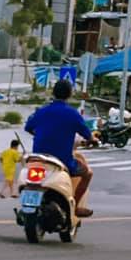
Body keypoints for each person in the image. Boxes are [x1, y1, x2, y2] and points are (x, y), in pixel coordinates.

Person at [24, 78, 99, 217]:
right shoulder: (72, 114)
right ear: (69, 94)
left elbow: (28, 127)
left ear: (53, 93)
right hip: (63, 160)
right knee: (88, 173)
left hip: (40, 159)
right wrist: (93, 140)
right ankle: (75, 207)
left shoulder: (41, 111)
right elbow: (87, 135)